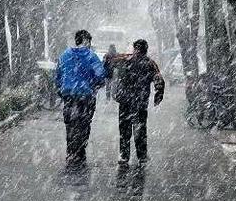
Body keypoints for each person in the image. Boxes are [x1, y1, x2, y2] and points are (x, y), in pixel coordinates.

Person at [105, 39, 165, 165]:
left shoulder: (126, 60)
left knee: (124, 129)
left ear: (134, 48)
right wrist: (158, 96)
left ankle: (124, 155)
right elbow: (159, 79)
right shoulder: (150, 63)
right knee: (140, 129)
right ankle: (142, 155)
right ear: (146, 49)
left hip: (125, 101)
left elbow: (109, 64)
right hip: (140, 102)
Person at [56, 29, 105, 169]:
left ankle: (71, 152)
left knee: (70, 124)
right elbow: (100, 75)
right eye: (89, 42)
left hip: (69, 95)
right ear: (87, 41)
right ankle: (80, 152)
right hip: (86, 96)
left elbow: (58, 76)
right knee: (84, 123)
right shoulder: (91, 56)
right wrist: (95, 85)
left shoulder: (64, 55)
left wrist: (62, 91)